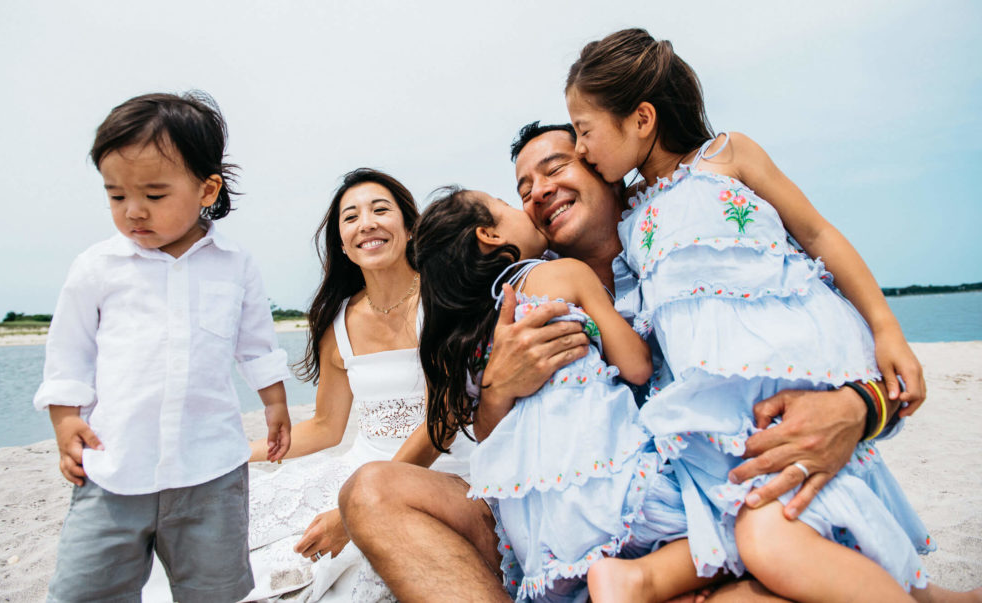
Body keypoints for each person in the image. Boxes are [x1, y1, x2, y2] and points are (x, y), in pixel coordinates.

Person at [340, 117, 913, 602]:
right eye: (522, 188)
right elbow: (476, 426)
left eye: (558, 167)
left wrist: (866, 403)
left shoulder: (683, 242)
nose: (538, 191)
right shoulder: (531, 294)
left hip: (678, 512)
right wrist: (497, 388)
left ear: (604, 167)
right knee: (370, 492)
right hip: (553, 523)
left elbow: (808, 337)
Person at [564, 27, 953, 601]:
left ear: (641, 118)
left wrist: (887, 328)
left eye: (584, 129)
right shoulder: (630, 213)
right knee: (784, 529)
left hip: (797, 375)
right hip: (722, 418)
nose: (578, 148)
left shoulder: (729, 155)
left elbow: (818, 232)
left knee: (776, 532)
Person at [149, 168, 471, 602]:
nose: (367, 224)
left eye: (381, 210)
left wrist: (355, 512)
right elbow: (324, 426)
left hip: (439, 476)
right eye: (351, 217)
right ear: (343, 243)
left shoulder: (443, 300)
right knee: (224, 527)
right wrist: (238, 454)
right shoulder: (337, 323)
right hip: (357, 468)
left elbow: (443, 422)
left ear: (410, 228)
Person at [33, 91, 292, 603]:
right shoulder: (97, 267)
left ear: (206, 188)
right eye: (115, 196)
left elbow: (257, 343)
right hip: (113, 466)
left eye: (153, 195)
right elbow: (69, 352)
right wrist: (65, 419)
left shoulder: (234, 265)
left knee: (213, 590)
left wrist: (276, 402)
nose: (133, 212)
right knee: (87, 589)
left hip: (211, 472)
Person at [415, 186, 725, 601]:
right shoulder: (563, 275)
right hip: (609, 480)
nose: (523, 207)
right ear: (488, 236)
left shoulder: (466, 338)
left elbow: (488, 433)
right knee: (725, 527)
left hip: (538, 528)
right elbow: (636, 365)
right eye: (508, 205)